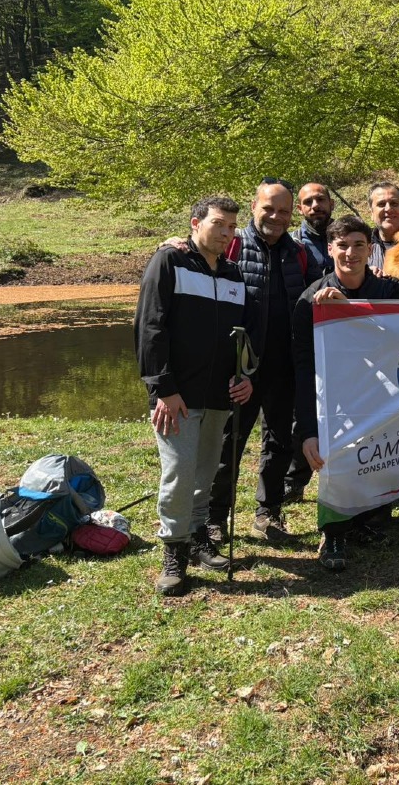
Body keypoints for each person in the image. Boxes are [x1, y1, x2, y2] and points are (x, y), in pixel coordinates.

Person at [135, 196, 254, 596]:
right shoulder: (169, 262)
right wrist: (163, 389)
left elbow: (245, 340)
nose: (225, 233)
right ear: (196, 223)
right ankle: (174, 550)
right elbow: (150, 327)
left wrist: (246, 377)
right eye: (219, 224)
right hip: (178, 398)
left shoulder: (236, 275)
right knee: (180, 472)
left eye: (232, 227)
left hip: (220, 396)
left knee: (205, 471)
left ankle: (199, 537)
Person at [291, 216, 399, 570]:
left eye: (359, 244)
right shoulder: (310, 300)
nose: (350, 253)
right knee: (338, 468)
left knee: (377, 459)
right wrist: (308, 430)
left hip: (380, 397)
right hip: (334, 399)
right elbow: (302, 366)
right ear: (330, 250)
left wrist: (350, 312)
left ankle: (363, 523)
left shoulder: (390, 292)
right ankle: (334, 535)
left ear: (370, 249)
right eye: (342, 245)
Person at [206, 179, 321, 545]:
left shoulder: (299, 253)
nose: (276, 216)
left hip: (284, 366)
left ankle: (268, 512)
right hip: (239, 368)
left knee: (279, 442)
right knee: (229, 443)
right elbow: (194, 259)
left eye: (284, 211)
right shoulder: (232, 243)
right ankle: (214, 516)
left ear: (292, 215)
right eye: (268, 208)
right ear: (254, 206)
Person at [295, 182, 335, 275]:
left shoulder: (350, 240)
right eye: (308, 202)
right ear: (300, 209)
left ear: (332, 204)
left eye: (321, 199)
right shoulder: (292, 243)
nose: (315, 206)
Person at [367, 181, 399, 272]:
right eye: (381, 204)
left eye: (394, 203)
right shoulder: (361, 246)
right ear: (372, 213)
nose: (388, 209)